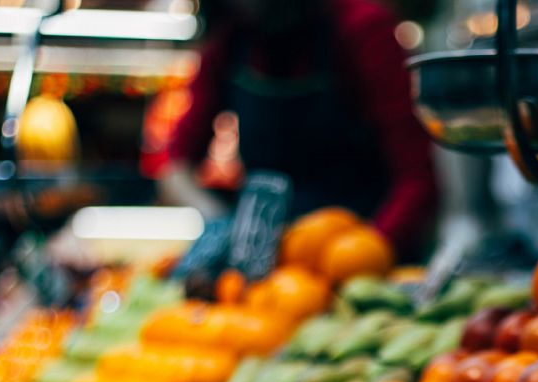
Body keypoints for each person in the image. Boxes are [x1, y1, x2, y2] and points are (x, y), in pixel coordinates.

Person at [163, 0, 439, 256]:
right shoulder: (231, 38)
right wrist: (220, 225)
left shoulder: (360, 26)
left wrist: (365, 254)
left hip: (362, 249)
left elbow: (416, 176)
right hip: (269, 264)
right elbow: (175, 166)